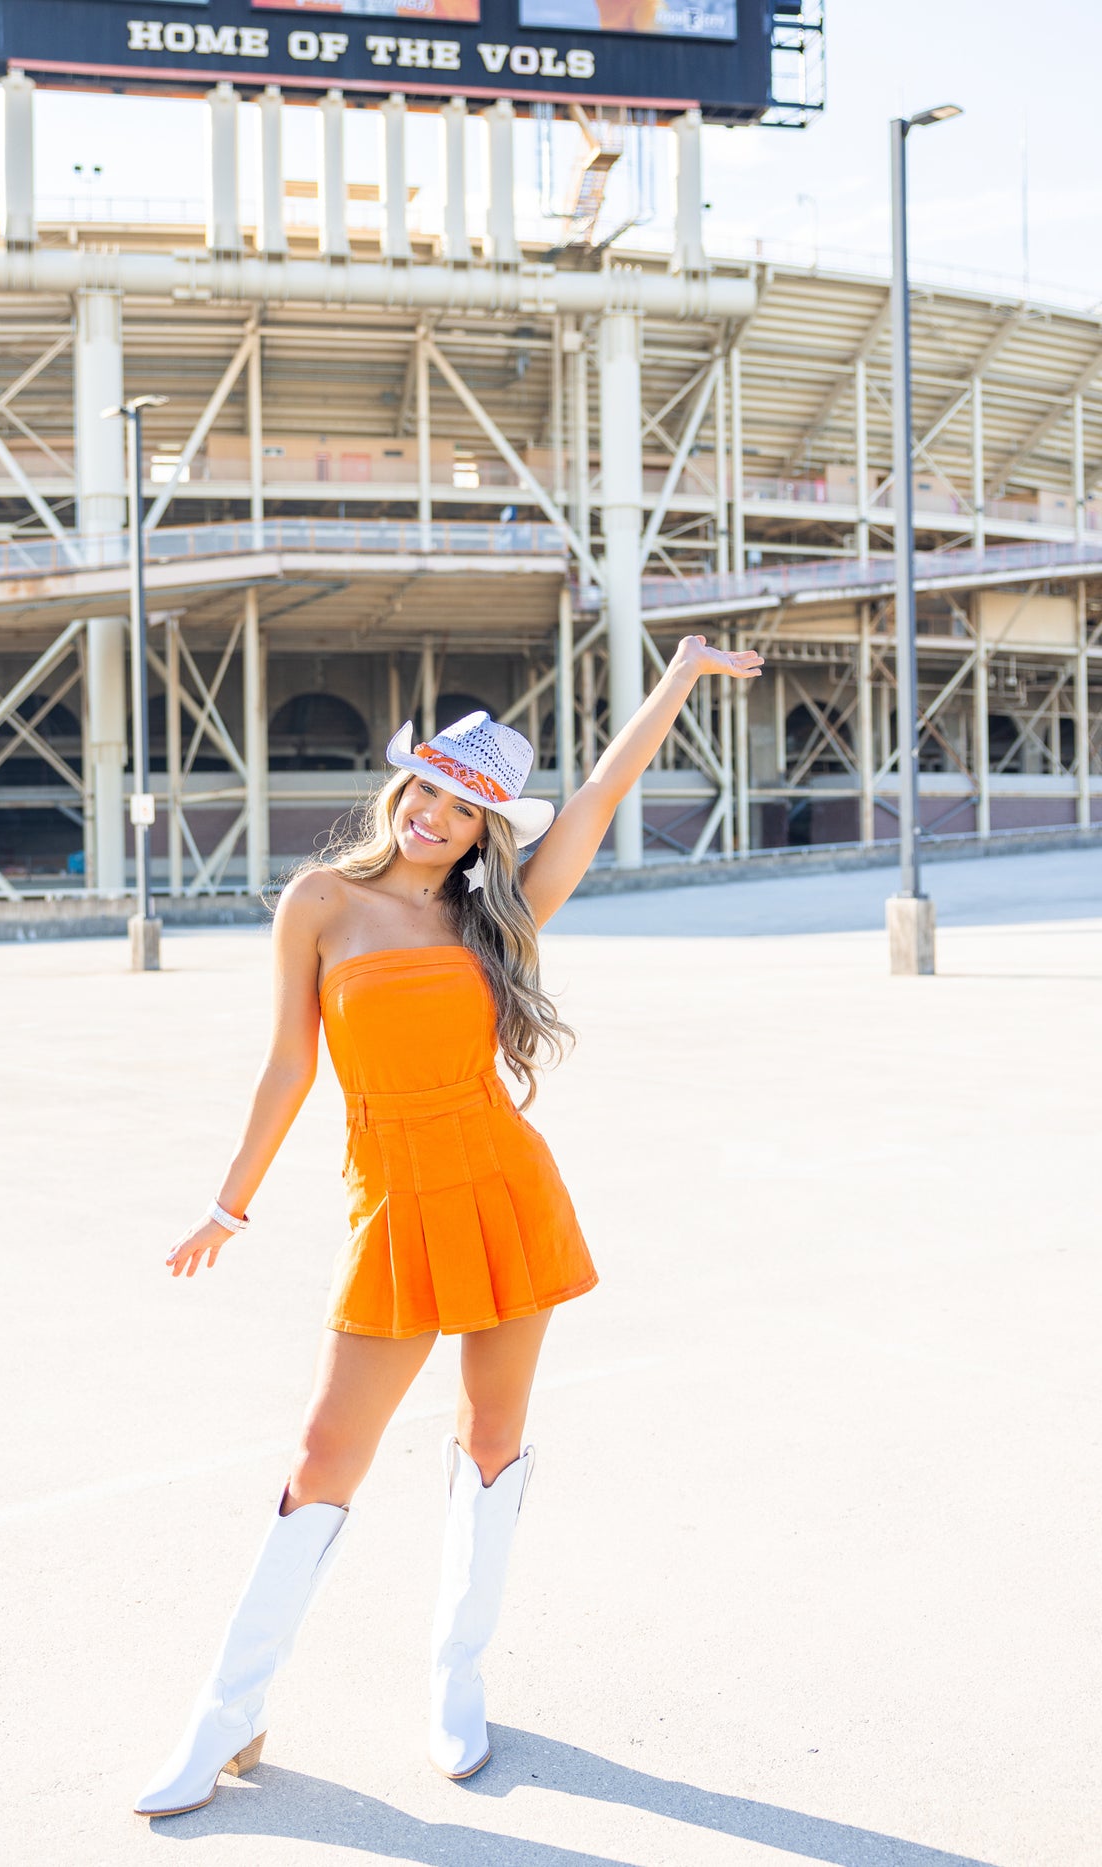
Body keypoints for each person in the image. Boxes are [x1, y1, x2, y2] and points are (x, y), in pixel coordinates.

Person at [134, 631, 762, 1818]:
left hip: (499, 1188)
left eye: (465, 805)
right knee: (323, 1456)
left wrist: (674, 678)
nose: (435, 814)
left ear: (483, 829)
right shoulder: (319, 900)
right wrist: (229, 1203)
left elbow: (597, 795)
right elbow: (285, 1067)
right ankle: (226, 1714)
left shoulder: (491, 918)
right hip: (390, 1200)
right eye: (426, 788)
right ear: (400, 788)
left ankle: (453, 1680)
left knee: (489, 1441)